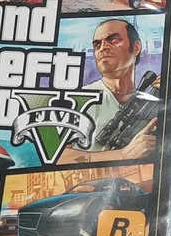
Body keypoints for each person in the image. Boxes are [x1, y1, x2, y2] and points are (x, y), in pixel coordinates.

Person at [59, 18, 156, 165]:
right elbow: (57, 157)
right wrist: (123, 155)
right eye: (97, 44)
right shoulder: (78, 99)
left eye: (113, 40)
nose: (103, 47)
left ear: (136, 47)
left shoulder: (149, 99)